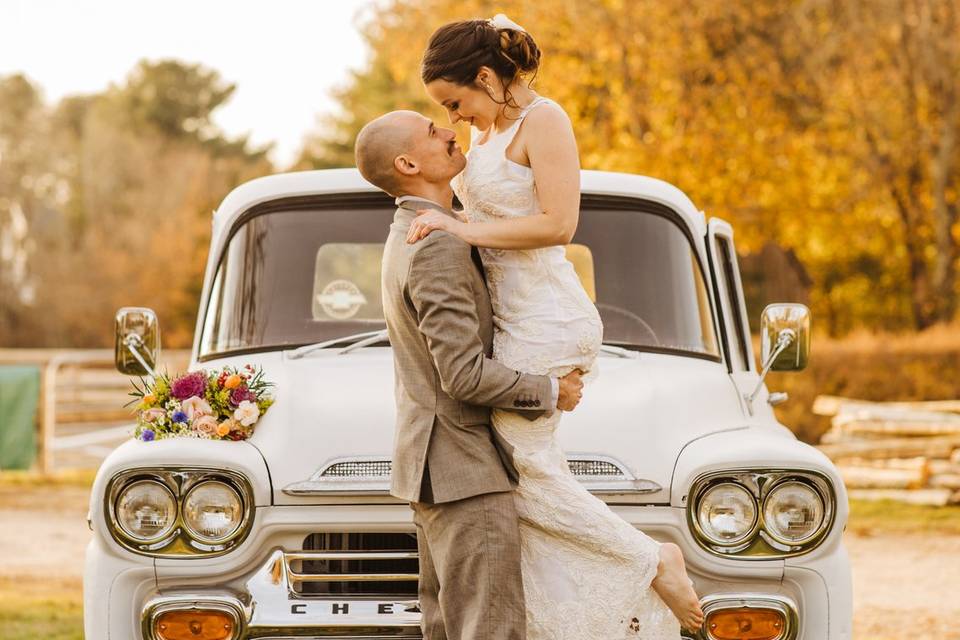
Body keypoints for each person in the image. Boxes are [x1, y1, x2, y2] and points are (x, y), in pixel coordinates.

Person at [408, 15, 705, 639]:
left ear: (486, 76)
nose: (456, 117)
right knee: (526, 473)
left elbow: (559, 224)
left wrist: (463, 229)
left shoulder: (546, 121)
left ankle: (656, 560)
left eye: (455, 101)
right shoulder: (487, 138)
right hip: (513, 317)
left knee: (518, 473)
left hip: (547, 313)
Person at [355, 108, 586, 640]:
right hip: (464, 469)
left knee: (450, 628)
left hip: (438, 466)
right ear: (408, 162)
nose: (449, 130)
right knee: (490, 629)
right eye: (433, 131)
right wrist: (551, 390)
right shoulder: (436, 245)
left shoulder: (416, 232)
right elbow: (460, 375)